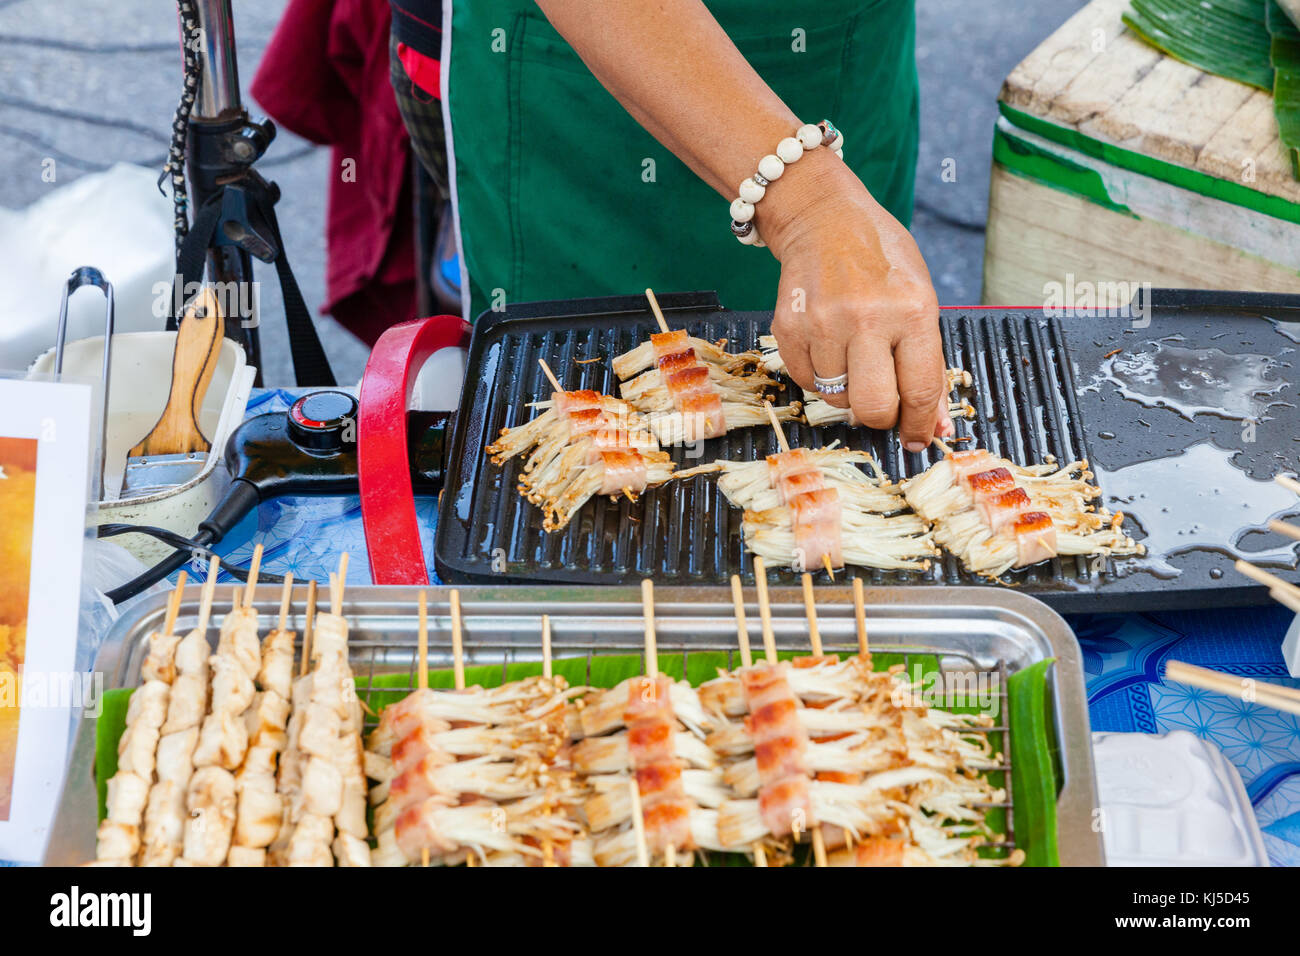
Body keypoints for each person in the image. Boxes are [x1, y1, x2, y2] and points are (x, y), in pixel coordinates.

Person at [389, 0, 952, 450]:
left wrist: (828, 210)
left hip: (842, 50)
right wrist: (813, 206)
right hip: (583, 77)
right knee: (564, 385)